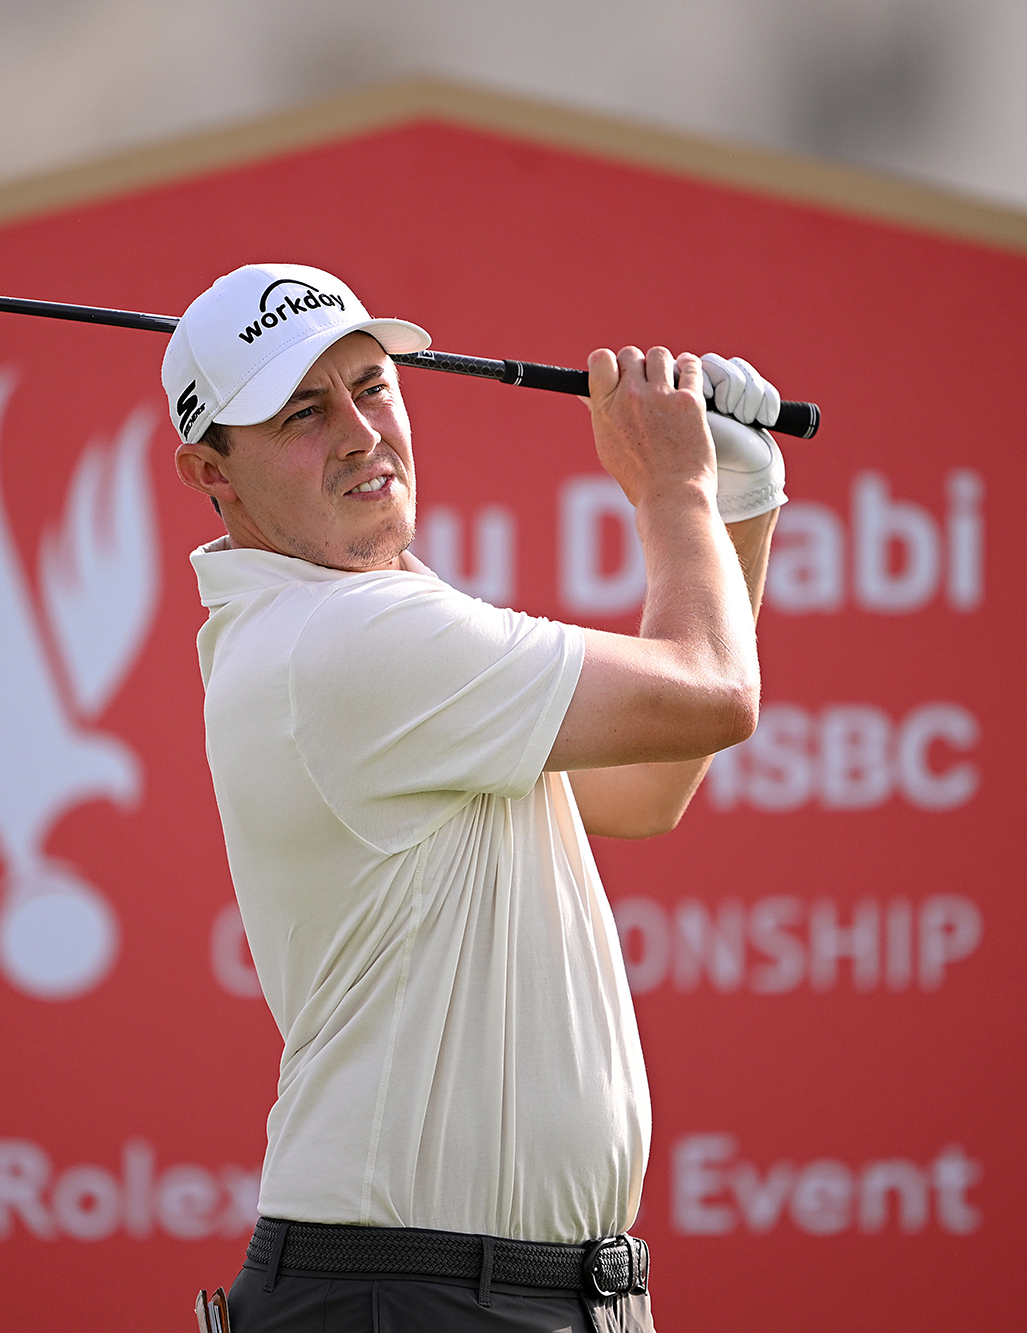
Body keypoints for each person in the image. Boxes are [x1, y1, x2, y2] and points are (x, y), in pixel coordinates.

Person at [163, 263, 785, 1333]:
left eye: (372, 385)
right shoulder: (340, 640)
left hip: (492, 1293)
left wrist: (734, 506)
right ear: (208, 471)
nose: (360, 432)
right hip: (411, 1293)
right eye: (302, 412)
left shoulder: (356, 621)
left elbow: (645, 789)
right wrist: (674, 487)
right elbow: (712, 691)